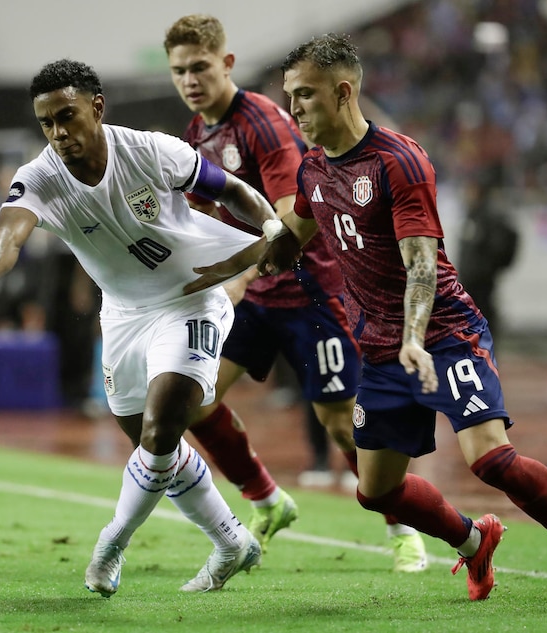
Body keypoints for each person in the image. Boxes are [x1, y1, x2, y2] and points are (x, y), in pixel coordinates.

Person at [187, 33, 547, 612]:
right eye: (290, 98)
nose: (295, 111)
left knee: (489, 457)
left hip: (442, 333)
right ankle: (472, 539)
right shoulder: (313, 170)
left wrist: (415, 338)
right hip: (381, 348)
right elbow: (292, 241)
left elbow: (421, 265)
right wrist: (220, 272)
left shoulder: (398, 160)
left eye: (305, 96)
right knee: (374, 489)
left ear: (343, 92)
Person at [0, 59, 283, 596]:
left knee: (161, 430)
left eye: (67, 116)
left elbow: (231, 190)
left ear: (96, 108)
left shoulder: (150, 150)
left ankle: (111, 545)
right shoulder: (41, 177)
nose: (58, 133)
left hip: (191, 298)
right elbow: (8, 235)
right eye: (47, 123)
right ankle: (232, 542)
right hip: (122, 314)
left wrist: (271, 226)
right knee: (153, 450)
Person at [163, 14, 427, 570]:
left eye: (200, 67)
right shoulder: (197, 132)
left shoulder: (262, 123)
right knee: (193, 398)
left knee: (339, 424)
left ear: (226, 63)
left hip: (311, 293)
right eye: (179, 70)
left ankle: (404, 527)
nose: (190, 80)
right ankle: (267, 498)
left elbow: (290, 218)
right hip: (254, 299)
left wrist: (235, 276)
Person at [456, 178, 518, 338]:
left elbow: (508, 239)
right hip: (468, 281)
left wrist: (489, 268)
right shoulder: (472, 214)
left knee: (483, 322)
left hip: (482, 282)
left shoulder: (490, 216)